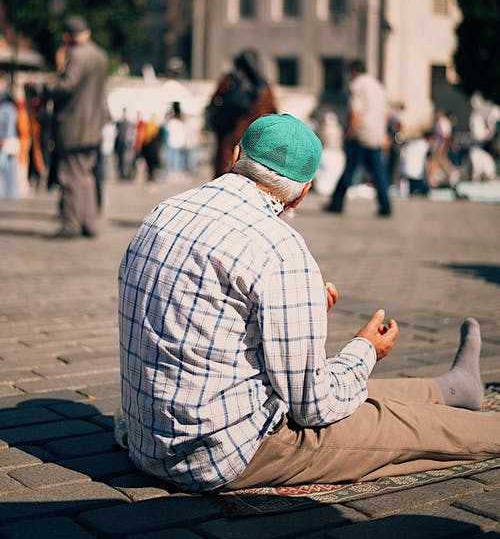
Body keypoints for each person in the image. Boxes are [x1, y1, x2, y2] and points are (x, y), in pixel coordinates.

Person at [118, 113, 500, 494]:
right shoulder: (279, 247)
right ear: (303, 192)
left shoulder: (165, 211)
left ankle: (454, 389)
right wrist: (366, 350)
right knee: (392, 425)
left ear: (235, 155)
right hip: (218, 451)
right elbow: (312, 405)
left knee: (355, 389)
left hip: (149, 439)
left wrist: (298, 310)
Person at [45, 15, 109, 238]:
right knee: (86, 176)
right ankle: (89, 223)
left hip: (73, 127)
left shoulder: (77, 55)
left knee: (70, 176)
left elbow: (67, 86)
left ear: (67, 36)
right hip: (93, 126)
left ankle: (71, 224)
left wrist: (45, 87)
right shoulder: (100, 55)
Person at [324, 59, 391, 216]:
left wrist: (348, 133)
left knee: (349, 170)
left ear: (353, 71)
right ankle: (386, 206)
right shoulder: (377, 85)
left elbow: (356, 113)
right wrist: (383, 134)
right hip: (376, 135)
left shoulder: (357, 85)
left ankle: (337, 203)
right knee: (379, 173)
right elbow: (385, 114)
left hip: (361, 134)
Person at [207, 49, 277, 177]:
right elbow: (273, 113)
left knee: (225, 167)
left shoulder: (228, 81)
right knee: (252, 172)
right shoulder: (264, 87)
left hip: (229, 133)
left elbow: (213, 104)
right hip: (255, 137)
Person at [399, 130, 434, 196]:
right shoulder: (426, 146)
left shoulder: (411, 143)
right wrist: (429, 182)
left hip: (404, 175)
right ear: (430, 138)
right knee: (427, 192)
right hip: (416, 177)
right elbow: (428, 166)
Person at [0, 83, 20, 199]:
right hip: (8, 140)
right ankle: (8, 191)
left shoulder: (7, 109)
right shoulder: (9, 109)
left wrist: (4, 139)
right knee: (7, 167)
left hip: (8, 141)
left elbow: (9, 126)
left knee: (7, 167)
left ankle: (9, 191)